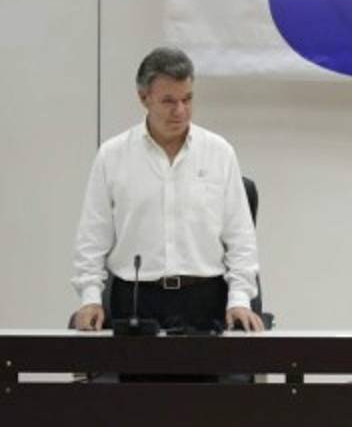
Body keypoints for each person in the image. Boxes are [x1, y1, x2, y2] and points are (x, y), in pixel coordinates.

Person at [71, 47, 264, 333]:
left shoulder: (219, 152)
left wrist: (239, 300)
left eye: (187, 99)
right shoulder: (112, 156)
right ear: (143, 98)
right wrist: (90, 298)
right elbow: (92, 236)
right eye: (169, 101)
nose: (180, 111)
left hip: (205, 298)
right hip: (135, 299)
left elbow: (240, 237)